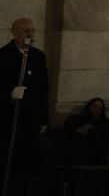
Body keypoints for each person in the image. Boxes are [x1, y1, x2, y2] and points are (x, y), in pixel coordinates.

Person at [1, 18, 49, 196]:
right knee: (8, 163)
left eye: (32, 31)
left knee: (27, 165)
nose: (29, 34)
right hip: (9, 120)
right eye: (25, 31)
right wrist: (9, 94)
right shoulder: (3, 56)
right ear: (15, 34)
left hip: (30, 119)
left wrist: (44, 118)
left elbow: (44, 88)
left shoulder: (38, 57)